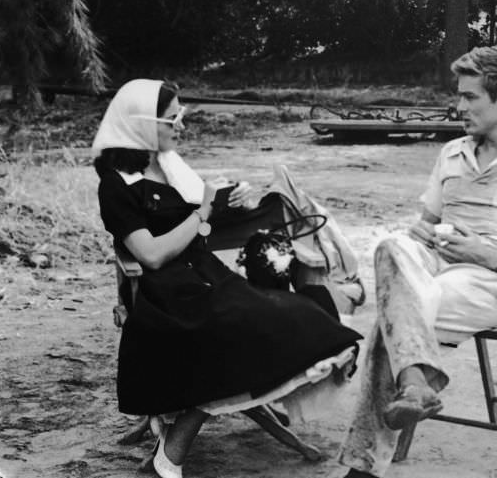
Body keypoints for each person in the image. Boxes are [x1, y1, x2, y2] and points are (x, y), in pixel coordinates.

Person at [92, 79, 362, 478]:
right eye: (172, 119)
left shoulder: (169, 163)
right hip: (170, 294)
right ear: (141, 124)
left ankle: (177, 437)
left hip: (207, 276)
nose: (180, 126)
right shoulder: (115, 185)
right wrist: (203, 210)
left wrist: (234, 201)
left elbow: (202, 228)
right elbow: (151, 255)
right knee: (256, 326)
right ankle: (176, 443)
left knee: (303, 316)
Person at [337, 44, 497, 478]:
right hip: (432, 269)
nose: (458, 106)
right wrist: (422, 234)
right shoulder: (452, 152)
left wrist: (480, 253)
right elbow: (423, 225)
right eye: (460, 95)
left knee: (391, 321)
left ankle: (370, 456)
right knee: (392, 246)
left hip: (486, 283)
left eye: (470, 97)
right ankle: (414, 385)